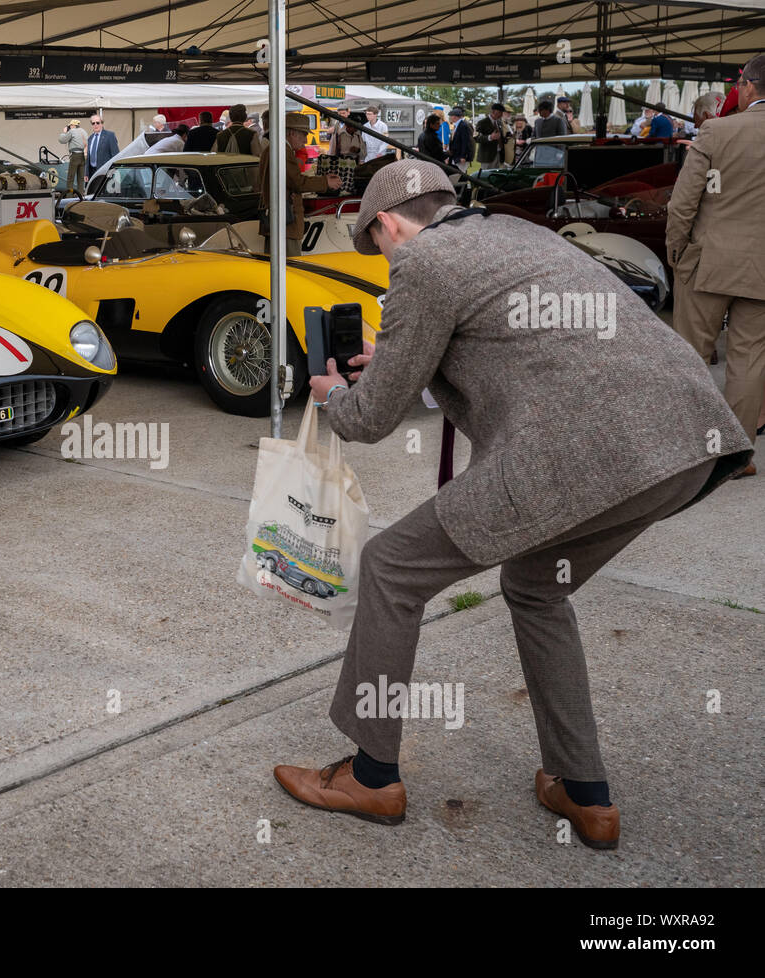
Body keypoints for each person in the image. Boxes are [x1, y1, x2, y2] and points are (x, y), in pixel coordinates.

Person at [277, 158, 752, 845]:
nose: (384, 261)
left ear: (386, 224)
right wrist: (402, 357)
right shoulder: (521, 234)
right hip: (685, 441)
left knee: (390, 567)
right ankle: (586, 793)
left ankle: (371, 777)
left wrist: (335, 399)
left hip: (581, 455)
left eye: (377, 248)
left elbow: (372, 420)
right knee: (536, 586)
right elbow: (528, 349)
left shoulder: (422, 261)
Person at [666, 53, 765, 478]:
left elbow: (683, 202)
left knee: (690, 356)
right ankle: (737, 458)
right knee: (749, 360)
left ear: (748, 86)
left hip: (707, 262)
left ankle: (692, 451)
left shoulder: (716, 131)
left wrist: (676, 253)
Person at [256, 111, 341, 251]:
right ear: (291, 133)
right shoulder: (283, 151)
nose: (306, 140)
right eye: (303, 135)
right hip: (285, 223)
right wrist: (325, 182)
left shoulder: (274, 148)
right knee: (289, 268)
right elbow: (297, 182)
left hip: (278, 219)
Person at [473, 102, 507, 168]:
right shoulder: (482, 122)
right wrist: (490, 137)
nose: (501, 114)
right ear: (493, 111)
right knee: (485, 175)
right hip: (487, 156)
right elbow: (476, 138)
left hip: (498, 154)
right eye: (500, 112)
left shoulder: (499, 122)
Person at [59, 119, 86, 195]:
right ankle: (80, 196)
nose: (69, 127)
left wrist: (64, 132)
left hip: (75, 156)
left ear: (73, 125)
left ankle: (69, 196)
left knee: (70, 178)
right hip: (83, 156)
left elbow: (62, 140)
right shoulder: (83, 131)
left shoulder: (72, 131)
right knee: (81, 179)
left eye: (70, 126)